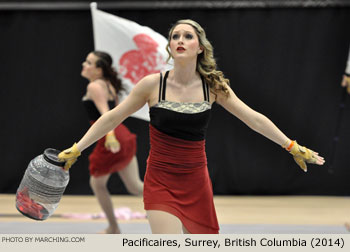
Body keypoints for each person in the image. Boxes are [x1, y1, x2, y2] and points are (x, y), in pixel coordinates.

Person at [58, 20, 325, 234]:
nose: (180, 40)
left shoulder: (213, 87)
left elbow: (253, 119)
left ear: (200, 47)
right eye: (175, 36)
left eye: (188, 36)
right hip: (160, 180)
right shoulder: (152, 84)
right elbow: (112, 117)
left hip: (196, 181)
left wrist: (291, 146)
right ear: (169, 47)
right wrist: (77, 148)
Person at [77, 51, 143, 234]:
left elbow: (107, 115)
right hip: (121, 134)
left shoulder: (95, 86)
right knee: (135, 186)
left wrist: (111, 137)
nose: (84, 64)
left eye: (89, 63)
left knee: (97, 184)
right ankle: (173, 200)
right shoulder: (108, 84)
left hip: (110, 136)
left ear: (99, 70)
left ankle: (114, 227)